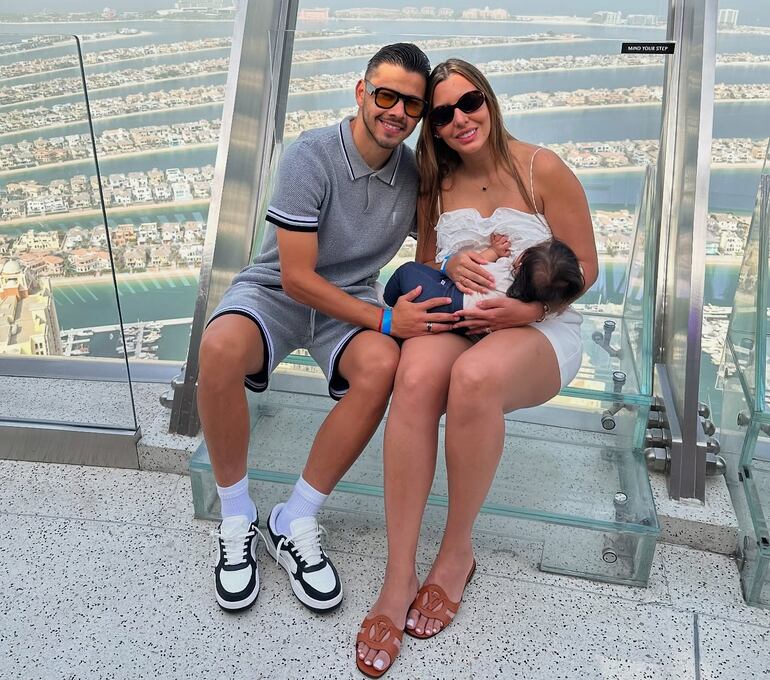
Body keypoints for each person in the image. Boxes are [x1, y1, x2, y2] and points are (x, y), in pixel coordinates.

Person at [355, 58, 598, 676]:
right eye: (441, 115)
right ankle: (398, 571)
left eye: (470, 104)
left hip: (539, 325)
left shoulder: (542, 168)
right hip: (464, 314)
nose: (460, 119)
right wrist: (457, 259)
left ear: (488, 102)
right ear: (431, 129)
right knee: (412, 378)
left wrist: (523, 310)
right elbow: (431, 266)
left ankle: (456, 552)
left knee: (473, 379)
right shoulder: (436, 187)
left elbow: (587, 269)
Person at [197, 43, 458, 615]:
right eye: (386, 96)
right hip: (278, 291)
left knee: (381, 366)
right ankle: (237, 514)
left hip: (350, 300)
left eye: (412, 105)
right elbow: (295, 278)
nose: (398, 113)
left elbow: (443, 236)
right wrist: (390, 319)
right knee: (218, 348)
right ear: (362, 92)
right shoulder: (310, 156)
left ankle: (295, 517)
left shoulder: (414, 176)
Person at [383, 237, 585, 319]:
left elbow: (477, 264)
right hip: (464, 317)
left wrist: (495, 250)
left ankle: (388, 302)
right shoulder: (532, 297)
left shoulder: (503, 273)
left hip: (446, 295)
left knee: (407, 270)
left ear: (521, 262)